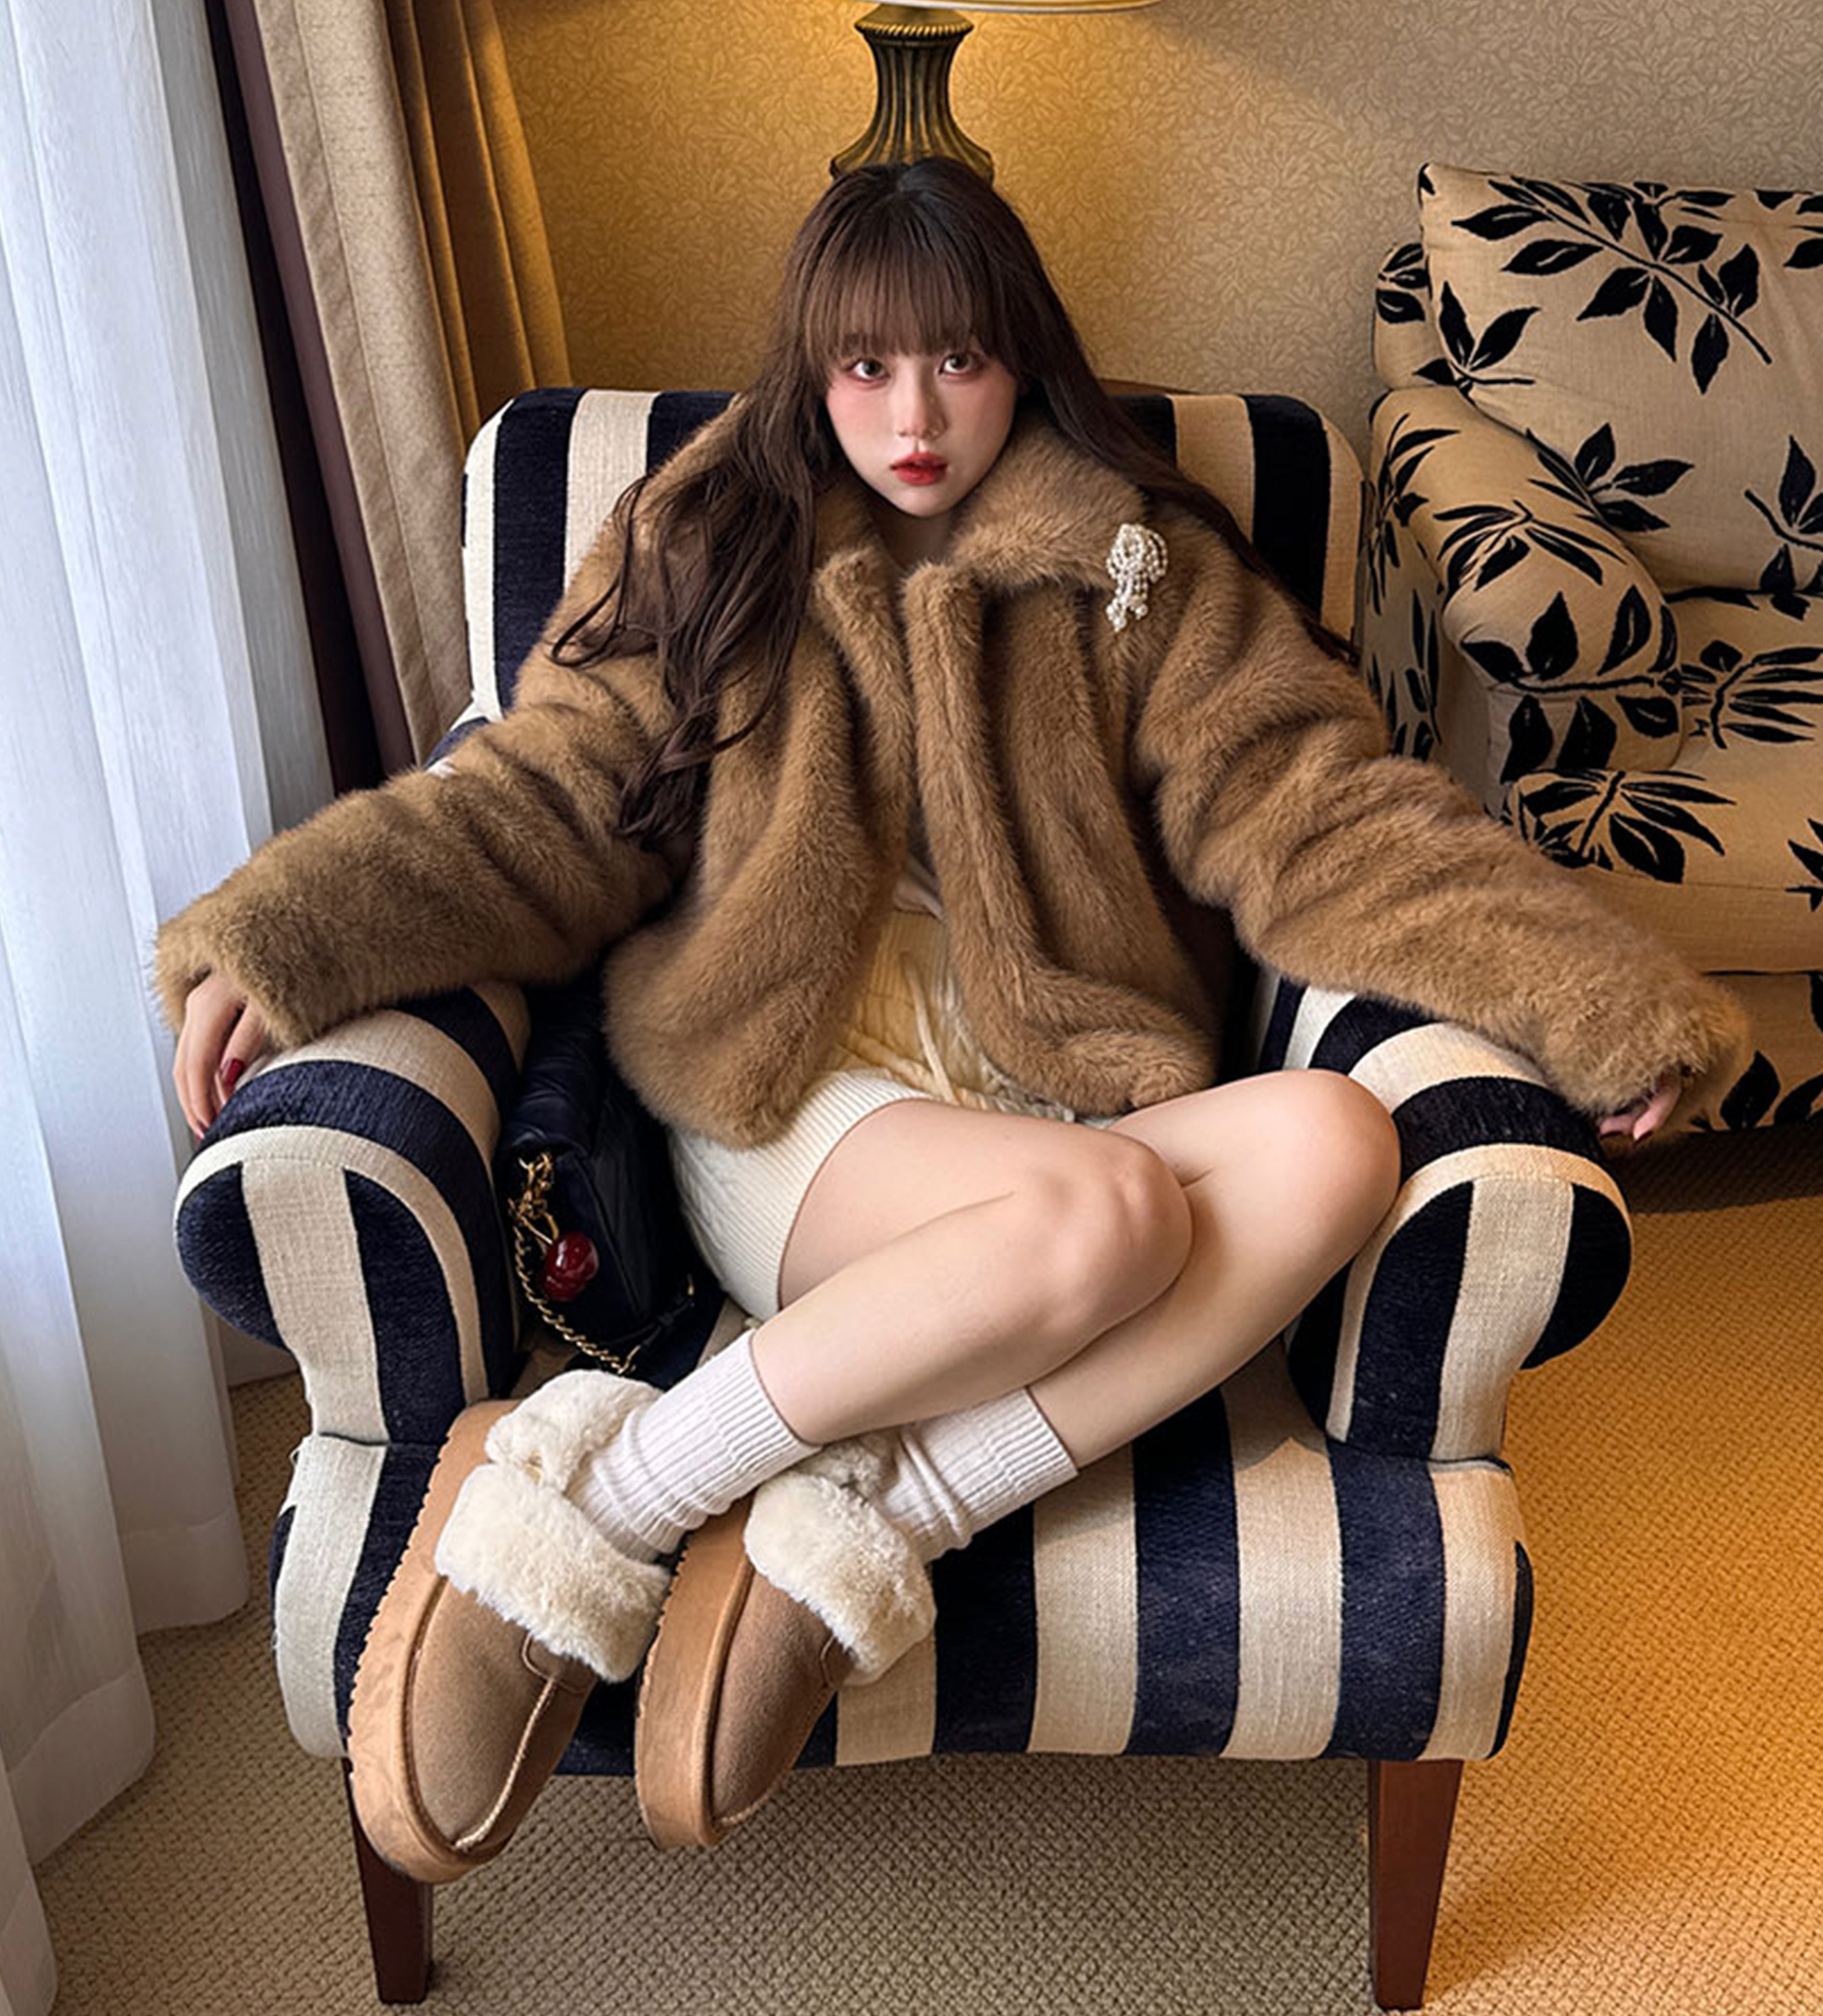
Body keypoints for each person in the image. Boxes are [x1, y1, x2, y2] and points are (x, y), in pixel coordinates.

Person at [155, 158, 1745, 1883]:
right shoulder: (712, 540)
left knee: (1336, 1144)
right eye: (865, 367)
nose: (912, 418)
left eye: (958, 362)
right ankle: (595, 1507)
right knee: (1112, 1212)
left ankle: (867, 1515)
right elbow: (540, 801)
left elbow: (1317, 814)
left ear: (1021, 359)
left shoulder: (1129, 563)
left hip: (1050, 1103)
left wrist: (1590, 1002)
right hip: (798, 1109)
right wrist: (293, 933)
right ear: (810, 366)